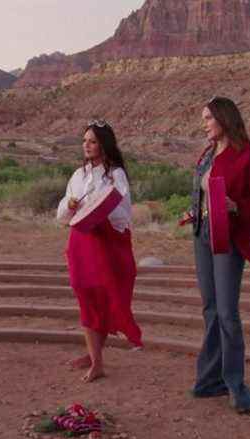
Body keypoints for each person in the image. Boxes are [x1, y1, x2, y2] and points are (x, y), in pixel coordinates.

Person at [185, 97, 250, 414]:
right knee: (210, 308)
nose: (204, 123)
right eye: (204, 118)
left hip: (228, 237)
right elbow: (204, 192)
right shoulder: (207, 155)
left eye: (209, 117)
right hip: (202, 235)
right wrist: (195, 210)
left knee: (226, 312)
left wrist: (236, 207)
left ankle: (236, 384)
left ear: (224, 118)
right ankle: (211, 380)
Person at [55, 120, 143, 383]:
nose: (87, 146)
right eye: (84, 141)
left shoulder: (115, 174)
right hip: (81, 241)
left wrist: (98, 206)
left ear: (104, 144)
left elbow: (122, 211)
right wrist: (70, 205)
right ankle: (95, 357)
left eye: (92, 141)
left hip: (106, 242)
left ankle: (96, 359)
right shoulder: (78, 175)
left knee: (104, 295)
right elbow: (63, 212)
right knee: (84, 293)